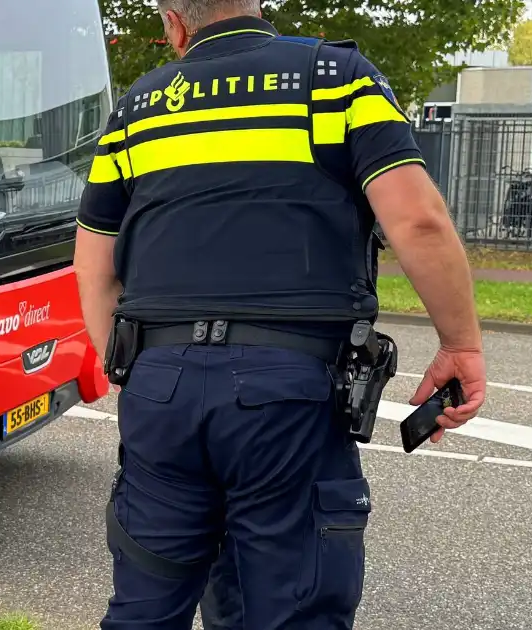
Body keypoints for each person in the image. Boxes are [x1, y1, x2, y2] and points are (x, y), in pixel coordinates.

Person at [72, 1, 488, 628]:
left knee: (145, 607)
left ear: (174, 25)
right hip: (290, 390)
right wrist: (461, 344)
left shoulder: (137, 107)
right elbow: (418, 221)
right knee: (292, 606)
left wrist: (133, 375)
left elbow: (95, 265)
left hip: (162, 387)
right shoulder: (337, 79)